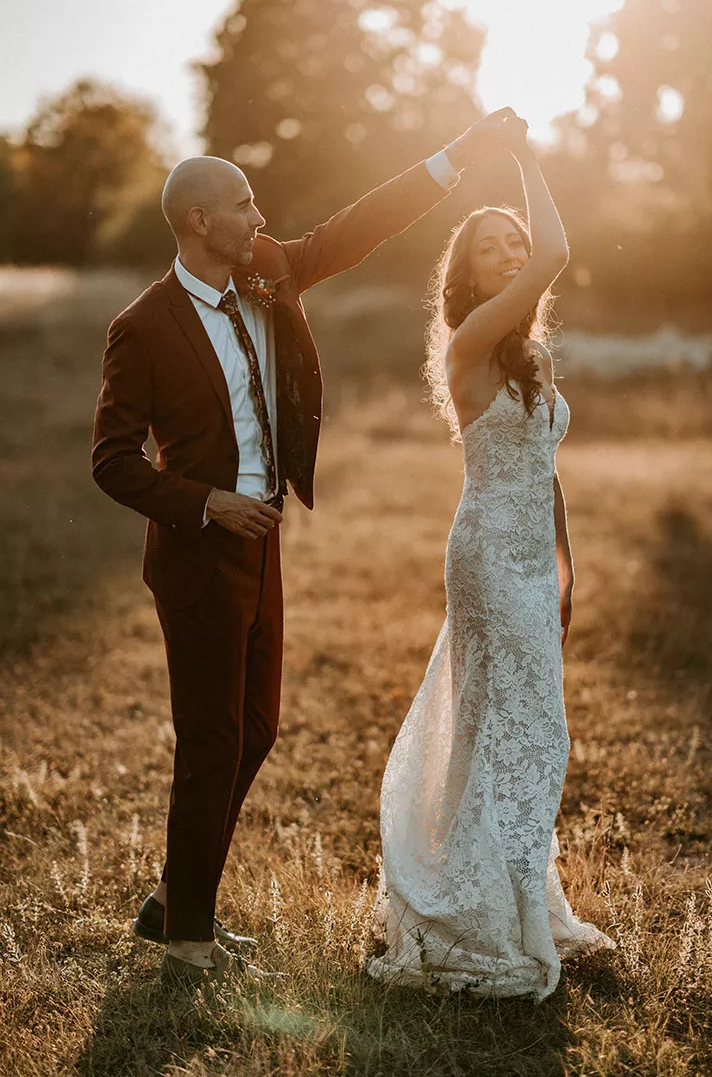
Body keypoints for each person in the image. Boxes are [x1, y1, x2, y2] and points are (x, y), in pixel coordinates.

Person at [91, 109, 526, 987]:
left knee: (257, 730)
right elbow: (110, 461)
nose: (261, 216)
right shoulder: (143, 326)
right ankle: (187, 944)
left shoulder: (269, 271)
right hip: (199, 554)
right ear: (199, 223)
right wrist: (206, 503)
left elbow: (363, 224)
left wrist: (460, 152)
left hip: (265, 546)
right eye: (244, 204)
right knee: (212, 738)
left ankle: (177, 898)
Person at [368, 131, 615, 999]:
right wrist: (527, 159)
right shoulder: (469, 343)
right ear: (469, 276)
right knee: (530, 730)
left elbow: (545, 471)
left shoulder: (531, 357)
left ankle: (516, 895)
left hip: (528, 555)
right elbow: (559, 248)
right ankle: (472, 910)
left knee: (509, 728)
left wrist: (566, 565)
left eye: (516, 239)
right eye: (493, 246)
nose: (515, 251)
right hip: (481, 558)